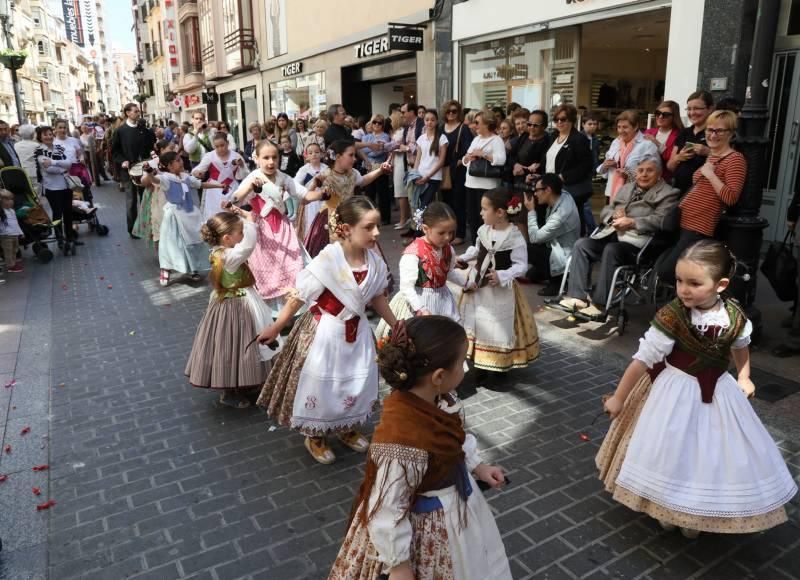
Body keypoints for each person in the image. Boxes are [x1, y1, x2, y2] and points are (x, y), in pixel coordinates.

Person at [597, 240, 797, 538]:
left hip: (717, 392)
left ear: (721, 284)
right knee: (669, 450)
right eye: (679, 281)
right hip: (673, 390)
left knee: (707, 453)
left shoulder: (734, 316)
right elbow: (642, 359)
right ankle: (665, 505)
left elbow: (741, 347)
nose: (683, 289)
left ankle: (695, 509)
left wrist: (744, 376)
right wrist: (619, 397)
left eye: (694, 282)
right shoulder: (672, 315)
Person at [328, 316, 512, 580]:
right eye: (462, 362)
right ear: (439, 376)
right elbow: (387, 509)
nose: (466, 368)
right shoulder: (402, 439)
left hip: (457, 506)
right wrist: (400, 566)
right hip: (429, 529)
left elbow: (453, 440)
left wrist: (478, 466)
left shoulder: (440, 399)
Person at [256, 196, 398, 464]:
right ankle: (316, 436)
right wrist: (276, 326)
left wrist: (397, 325)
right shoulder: (327, 260)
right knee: (323, 385)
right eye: (369, 227)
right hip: (325, 332)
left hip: (357, 334)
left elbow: (378, 297)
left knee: (354, 381)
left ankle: (346, 427)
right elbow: (299, 295)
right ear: (346, 229)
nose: (377, 233)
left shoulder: (375, 262)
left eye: (377, 226)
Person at [560, 158, 679, 316]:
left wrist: (632, 222)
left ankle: (599, 305)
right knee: (582, 244)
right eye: (640, 170)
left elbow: (661, 220)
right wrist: (613, 215)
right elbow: (606, 209)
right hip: (612, 233)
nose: (644, 174)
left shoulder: (668, 193)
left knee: (611, 249)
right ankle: (577, 297)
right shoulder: (626, 188)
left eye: (649, 170)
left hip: (640, 243)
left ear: (659, 174)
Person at [186, 209, 279, 408]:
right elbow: (248, 246)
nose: (243, 234)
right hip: (236, 306)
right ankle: (230, 391)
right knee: (235, 345)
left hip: (236, 301)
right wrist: (250, 222)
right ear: (227, 238)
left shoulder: (221, 252)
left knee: (235, 344)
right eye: (239, 232)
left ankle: (244, 382)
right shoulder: (230, 256)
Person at [454, 188, 539, 381]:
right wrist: (463, 258)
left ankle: (499, 367)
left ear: (500, 213)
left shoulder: (514, 236)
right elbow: (477, 250)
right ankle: (481, 363)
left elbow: (521, 265)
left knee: (499, 326)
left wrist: (503, 275)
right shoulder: (483, 230)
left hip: (501, 291)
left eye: (485, 209)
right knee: (479, 322)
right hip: (479, 285)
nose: (481, 213)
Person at [657, 110, 746, 283]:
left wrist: (711, 175)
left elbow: (731, 197)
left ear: (731, 134)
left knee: (669, 272)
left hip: (699, 226)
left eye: (719, 131)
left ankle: (687, 306)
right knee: (668, 268)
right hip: (683, 220)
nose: (712, 135)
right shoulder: (712, 156)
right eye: (709, 130)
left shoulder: (735, 159)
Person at [229, 140, 309, 314]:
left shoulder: (284, 177)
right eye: (266, 158)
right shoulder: (252, 178)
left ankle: (291, 310)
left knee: (292, 263)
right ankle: (272, 314)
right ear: (256, 159)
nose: (271, 162)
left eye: (274, 157)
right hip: (261, 229)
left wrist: (322, 191)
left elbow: (305, 195)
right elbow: (237, 198)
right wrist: (250, 186)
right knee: (268, 268)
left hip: (283, 228)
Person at [375, 202, 466, 338]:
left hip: (443, 301)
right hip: (418, 300)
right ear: (425, 228)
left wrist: (466, 283)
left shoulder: (447, 248)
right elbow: (407, 287)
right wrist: (420, 309)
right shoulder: (413, 254)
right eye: (441, 233)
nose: (447, 237)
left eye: (451, 232)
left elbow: (449, 271)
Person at [141, 151, 223, 286]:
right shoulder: (166, 179)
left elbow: (200, 184)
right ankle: (165, 269)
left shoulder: (185, 177)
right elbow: (155, 180)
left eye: (180, 159)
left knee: (194, 241)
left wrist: (219, 185)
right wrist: (149, 171)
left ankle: (193, 268)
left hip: (190, 214)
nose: (181, 162)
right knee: (172, 244)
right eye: (178, 160)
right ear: (170, 165)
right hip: (174, 216)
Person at [303, 140, 391, 258]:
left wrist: (380, 171)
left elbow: (363, 181)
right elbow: (306, 198)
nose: (354, 159)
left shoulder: (353, 173)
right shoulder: (325, 175)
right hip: (331, 218)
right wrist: (315, 183)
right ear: (338, 157)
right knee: (336, 254)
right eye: (351, 155)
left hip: (352, 216)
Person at [524, 173, 580, 296]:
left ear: (548, 190)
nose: (535, 194)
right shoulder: (563, 195)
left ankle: (558, 282)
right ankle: (550, 272)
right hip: (555, 245)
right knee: (531, 276)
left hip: (563, 253)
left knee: (526, 248)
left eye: (537, 190)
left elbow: (535, 238)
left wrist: (531, 211)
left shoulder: (561, 214)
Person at [544, 104, 594, 236]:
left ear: (571, 120)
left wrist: (563, 176)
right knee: (554, 224)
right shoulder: (553, 136)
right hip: (552, 188)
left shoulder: (578, 139)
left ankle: (576, 251)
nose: (559, 122)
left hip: (570, 190)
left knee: (572, 225)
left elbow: (586, 165)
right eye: (556, 119)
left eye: (563, 119)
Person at [111, 103, 157, 237]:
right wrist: (123, 161)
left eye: (138, 111)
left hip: (144, 169)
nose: (138, 113)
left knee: (146, 198)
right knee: (131, 201)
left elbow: (150, 147)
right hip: (128, 171)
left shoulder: (144, 130)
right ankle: (132, 229)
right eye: (135, 111)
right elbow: (115, 151)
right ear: (127, 113)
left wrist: (153, 155)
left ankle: (147, 226)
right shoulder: (120, 131)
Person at [463, 111, 507, 244]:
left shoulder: (496, 140)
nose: (474, 125)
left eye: (477, 122)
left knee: (486, 217)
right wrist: (467, 158)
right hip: (471, 182)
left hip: (487, 185)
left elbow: (501, 160)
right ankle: (475, 245)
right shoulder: (476, 139)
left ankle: (487, 244)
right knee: (472, 217)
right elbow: (465, 160)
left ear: (487, 123)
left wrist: (484, 155)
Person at [599, 110, 658, 206]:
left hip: (635, 195)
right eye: (619, 127)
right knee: (610, 219)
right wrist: (606, 165)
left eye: (625, 127)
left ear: (635, 127)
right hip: (613, 191)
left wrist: (629, 174)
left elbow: (654, 173)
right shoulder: (616, 142)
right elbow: (605, 172)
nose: (621, 131)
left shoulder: (647, 145)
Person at [35, 126, 78, 255]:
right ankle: (60, 239)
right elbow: (49, 170)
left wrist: (53, 162)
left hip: (65, 185)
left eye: (49, 134)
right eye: (45, 135)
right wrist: (62, 166)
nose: (48, 137)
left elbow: (69, 163)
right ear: (40, 137)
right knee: (57, 214)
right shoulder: (39, 151)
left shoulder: (58, 148)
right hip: (52, 188)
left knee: (68, 213)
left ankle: (70, 237)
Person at [667, 90, 714, 194]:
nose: (692, 113)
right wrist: (679, 157)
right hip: (679, 191)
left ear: (710, 109)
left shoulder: (715, 132)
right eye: (689, 109)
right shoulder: (685, 132)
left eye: (697, 108)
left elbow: (728, 160)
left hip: (703, 193)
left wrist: (708, 152)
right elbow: (670, 166)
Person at [192, 132, 247, 220]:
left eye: (222, 145)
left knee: (232, 215)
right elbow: (197, 170)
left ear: (227, 143)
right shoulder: (210, 156)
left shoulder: (236, 156)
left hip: (232, 188)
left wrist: (241, 165)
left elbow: (244, 175)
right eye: (217, 146)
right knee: (215, 216)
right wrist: (198, 173)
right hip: (214, 189)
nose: (220, 149)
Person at [442, 100, 474, 246]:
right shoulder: (441, 128)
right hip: (444, 169)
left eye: (454, 111)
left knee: (458, 203)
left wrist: (461, 160)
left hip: (458, 170)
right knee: (446, 203)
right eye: (448, 111)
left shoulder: (463, 128)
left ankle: (460, 234)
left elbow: (469, 148)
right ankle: (448, 232)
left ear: (459, 112)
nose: (451, 114)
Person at [132, 139, 175, 246]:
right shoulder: (152, 163)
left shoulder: (175, 161)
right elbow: (143, 182)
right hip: (155, 197)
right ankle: (161, 253)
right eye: (170, 148)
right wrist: (151, 174)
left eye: (174, 148)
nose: (173, 151)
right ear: (162, 149)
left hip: (172, 196)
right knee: (156, 226)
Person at [411, 109, 449, 212]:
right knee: (419, 205)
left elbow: (441, 162)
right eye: (427, 120)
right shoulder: (421, 138)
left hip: (433, 178)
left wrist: (428, 176)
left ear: (436, 121)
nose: (429, 122)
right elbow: (417, 160)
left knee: (424, 206)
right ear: (424, 121)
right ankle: (418, 228)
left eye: (432, 120)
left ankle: (420, 228)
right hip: (420, 176)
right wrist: (414, 175)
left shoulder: (442, 138)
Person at [293, 142, 328, 243]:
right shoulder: (304, 170)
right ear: (306, 156)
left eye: (317, 152)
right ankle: (310, 242)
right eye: (311, 153)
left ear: (321, 154)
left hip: (323, 201)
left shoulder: (326, 168)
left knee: (323, 224)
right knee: (311, 223)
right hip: (310, 202)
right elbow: (295, 184)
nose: (314, 154)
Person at [360, 114, 392, 225]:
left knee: (383, 193)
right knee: (369, 194)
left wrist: (369, 149)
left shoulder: (385, 136)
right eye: (375, 122)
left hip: (380, 167)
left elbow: (380, 151)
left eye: (379, 122)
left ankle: (385, 217)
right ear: (371, 123)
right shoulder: (366, 137)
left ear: (383, 124)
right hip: (368, 167)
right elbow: (362, 151)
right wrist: (371, 149)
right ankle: (370, 218)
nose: (377, 125)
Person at [644, 100, 683, 182]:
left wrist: (656, 143)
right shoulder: (649, 131)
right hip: (645, 177)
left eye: (665, 115)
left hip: (665, 179)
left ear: (674, 117)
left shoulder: (679, 135)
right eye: (658, 113)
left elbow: (671, 159)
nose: (660, 117)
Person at [389, 110, 412, 231]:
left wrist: (394, 147)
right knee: (400, 193)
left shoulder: (402, 131)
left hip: (402, 163)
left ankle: (404, 219)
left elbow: (399, 147)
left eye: (392, 120)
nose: (390, 122)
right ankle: (405, 218)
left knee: (401, 193)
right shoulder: (397, 132)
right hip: (398, 163)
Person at [0, 189, 23, 273]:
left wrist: (20, 232)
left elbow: (15, 223)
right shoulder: (1, 212)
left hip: (14, 234)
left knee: (15, 249)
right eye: (8, 200)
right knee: (8, 251)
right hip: (6, 236)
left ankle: (13, 262)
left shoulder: (12, 211)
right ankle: (10, 266)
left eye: (11, 199)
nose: (11, 201)